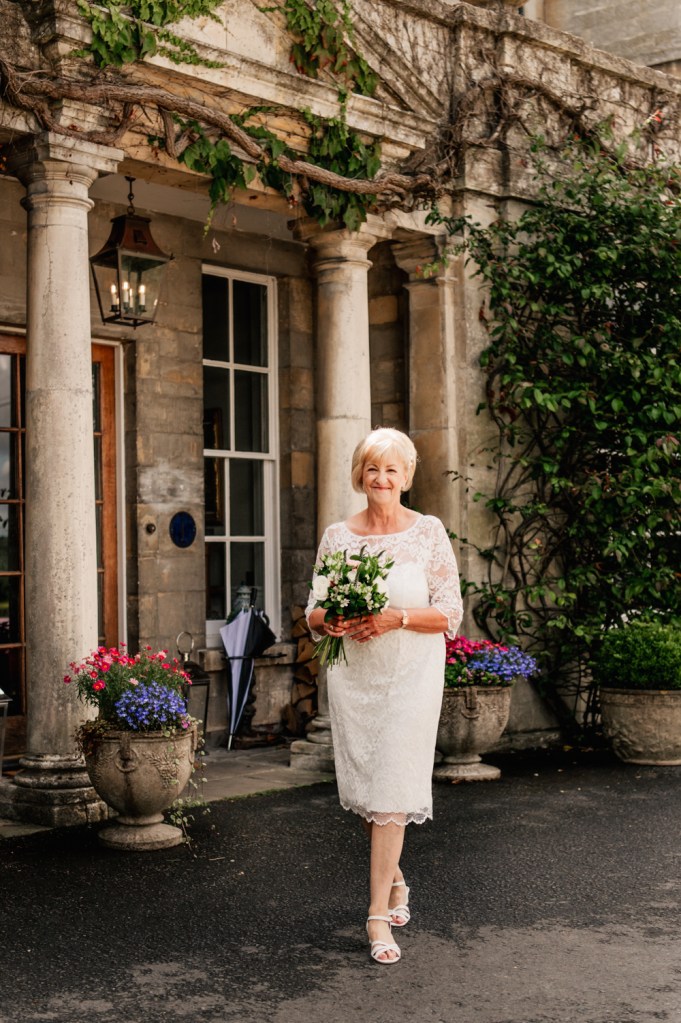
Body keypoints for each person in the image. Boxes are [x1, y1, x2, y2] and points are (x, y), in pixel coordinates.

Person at [306, 427, 463, 964]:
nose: (381, 478)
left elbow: (450, 613)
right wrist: (332, 620)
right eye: (372, 468)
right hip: (356, 678)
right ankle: (394, 879)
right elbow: (313, 610)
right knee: (368, 787)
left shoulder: (428, 532)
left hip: (412, 677)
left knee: (392, 786)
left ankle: (376, 916)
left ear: (407, 477)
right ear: (360, 475)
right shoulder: (338, 537)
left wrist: (397, 617)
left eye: (391, 469)